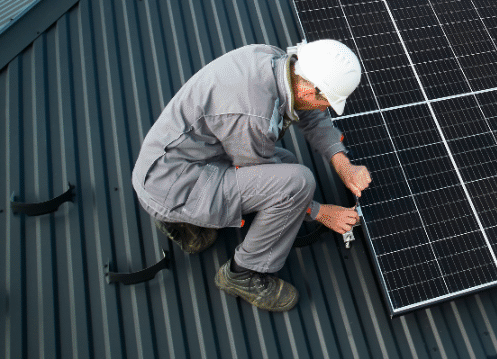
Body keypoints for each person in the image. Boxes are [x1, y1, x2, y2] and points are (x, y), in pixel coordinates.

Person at [131, 39, 371, 312]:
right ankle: (243, 273)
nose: (325, 107)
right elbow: (268, 179)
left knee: (288, 166)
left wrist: (342, 163)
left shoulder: (279, 63)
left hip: (177, 160)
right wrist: (321, 212)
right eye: (326, 101)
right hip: (172, 185)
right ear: (309, 88)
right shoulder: (253, 114)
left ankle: (185, 224)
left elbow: (311, 114)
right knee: (297, 182)